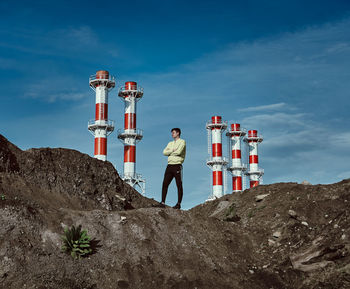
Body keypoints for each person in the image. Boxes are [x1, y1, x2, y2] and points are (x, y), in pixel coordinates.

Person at [160, 128, 186, 209]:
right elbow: (164, 152)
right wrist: (172, 150)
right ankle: (162, 202)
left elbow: (179, 152)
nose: (172, 134)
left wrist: (170, 152)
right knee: (164, 184)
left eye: (173, 133)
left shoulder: (182, 142)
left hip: (177, 165)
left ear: (178, 133)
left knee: (179, 185)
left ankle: (178, 204)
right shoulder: (170, 143)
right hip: (169, 165)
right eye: (172, 133)